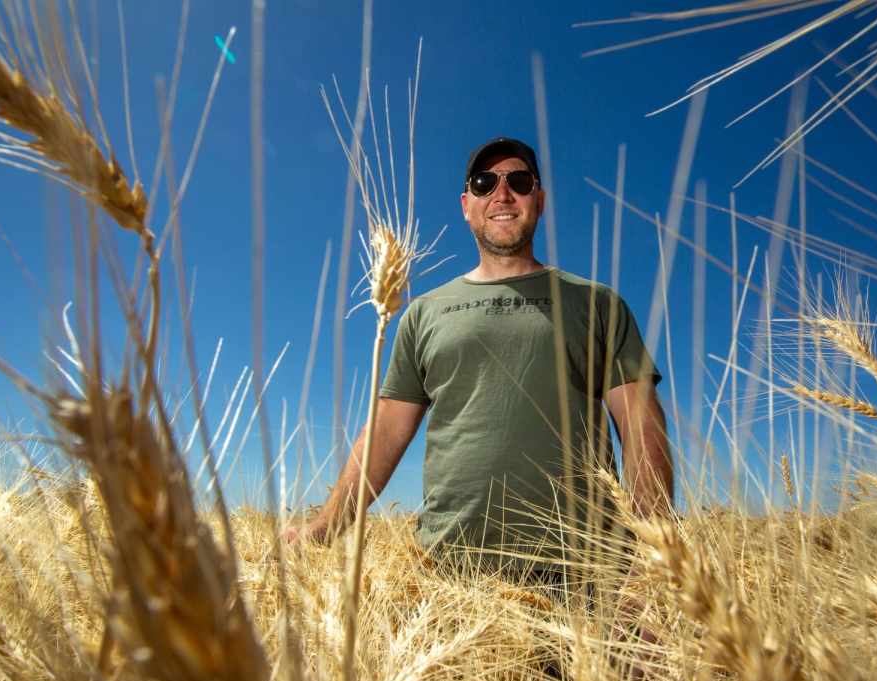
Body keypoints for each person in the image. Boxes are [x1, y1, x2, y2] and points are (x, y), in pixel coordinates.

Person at [284, 137, 672, 589]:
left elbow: (641, 426)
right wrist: (325, 527)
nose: (502, 194)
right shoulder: (423, 313)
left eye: (519, 181)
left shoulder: (597, 303)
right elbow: (386, 429)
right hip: (450, 572)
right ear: (467, 206)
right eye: (485, 183)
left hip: (584, 571)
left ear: (539, 200)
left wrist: (653, 561)